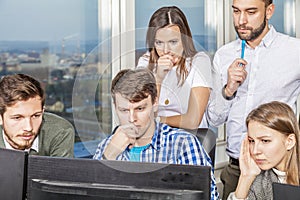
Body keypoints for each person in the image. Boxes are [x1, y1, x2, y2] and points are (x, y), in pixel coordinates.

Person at [206, 0, 300, 199]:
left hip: (279, 171)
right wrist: (229, 89)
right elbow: (214, 119)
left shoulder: (294, 52)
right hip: (236, 169)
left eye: (251, 12)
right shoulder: (223, 55)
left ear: (269, 11)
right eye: (236, 12)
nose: (241, 20)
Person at [93, 68, 219, 200]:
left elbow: (210, 198)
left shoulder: (183, 145)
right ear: (115, 106)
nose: (131, 119)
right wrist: (109, 156)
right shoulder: (106, 147)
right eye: (124, 110)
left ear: (155, 103)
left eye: (140, 108)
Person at [137, 6, 212, 129]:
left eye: (173, 42)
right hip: (154, 137)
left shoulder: (199, 61)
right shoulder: (145, 62)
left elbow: (193, 120)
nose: (166, 51)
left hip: (189, 137)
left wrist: (158, 119)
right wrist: (158, 78)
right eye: (159, 43)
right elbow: (142, 113)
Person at [228, 101, 300, 199]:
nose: (255, 151)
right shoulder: (259, 180)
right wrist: (245, 178)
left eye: (265, 141)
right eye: (252, 141)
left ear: (290, 141)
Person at [0, 73, 75, 157]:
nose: (29, 128)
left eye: (36, 116)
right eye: (17, 118)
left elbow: (61, 169)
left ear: (43, 111)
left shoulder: (60, 132)